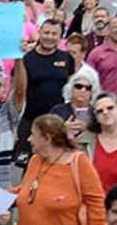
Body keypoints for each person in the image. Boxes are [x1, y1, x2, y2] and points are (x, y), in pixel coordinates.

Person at [11, 17, 75, 164]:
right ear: (39, 32)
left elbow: (71, 87)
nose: (49, 37)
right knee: (28, 163)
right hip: (30, 120)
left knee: (56, 160)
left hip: (58, 122)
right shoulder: (27, 58)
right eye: (46, 33)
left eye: (54, 34)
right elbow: (17, 89)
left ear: (60, 37)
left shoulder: (66, 58)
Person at [48, 69, 100, 141]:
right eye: (78, 86)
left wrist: (87, 129)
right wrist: (63, 128)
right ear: (70, 89)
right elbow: (47, 133)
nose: (83, 90)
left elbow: (105, 133)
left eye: (88, 88)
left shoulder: (97, 112)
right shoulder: (58, 110)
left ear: (92, 92)